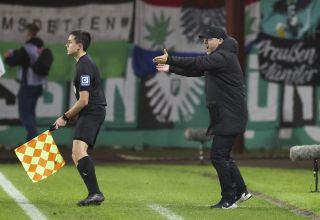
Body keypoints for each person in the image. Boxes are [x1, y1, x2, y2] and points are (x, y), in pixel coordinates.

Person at [153, 26, 252, 209]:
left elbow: (197, 64)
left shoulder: (222, 57)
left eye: (209, 39)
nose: (205, 42)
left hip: (229, 115)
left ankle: (228, 199)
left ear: (220, 41)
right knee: (224, 156)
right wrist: (171, 67)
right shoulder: (219, 58)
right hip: (228, 114)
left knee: (218, 156)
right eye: (203, 39)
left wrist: (171, 58)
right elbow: (197, 70)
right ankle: (241, 190)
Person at [53, 30, 107, 206]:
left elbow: (84, 100)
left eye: (69, 42)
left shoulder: (84, 65)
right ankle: (94, 193)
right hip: (91, 111)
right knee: (76, 154)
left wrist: (65, 117)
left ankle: (95, 193)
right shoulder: (83, 64)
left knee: (77, 152)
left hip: (92, 111)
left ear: (79, 45)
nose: (66, 45)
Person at [4, 23, 47, 141]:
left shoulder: (27, 48)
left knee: (25, 116)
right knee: (30, 115)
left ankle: (37, 148)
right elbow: (22, 55)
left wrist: (7, 57)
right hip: (38, 85)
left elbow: (14, 61)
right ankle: (31, 147)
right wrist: (15, 52)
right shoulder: (40, 47)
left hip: (28, 85)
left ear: (28, 32)